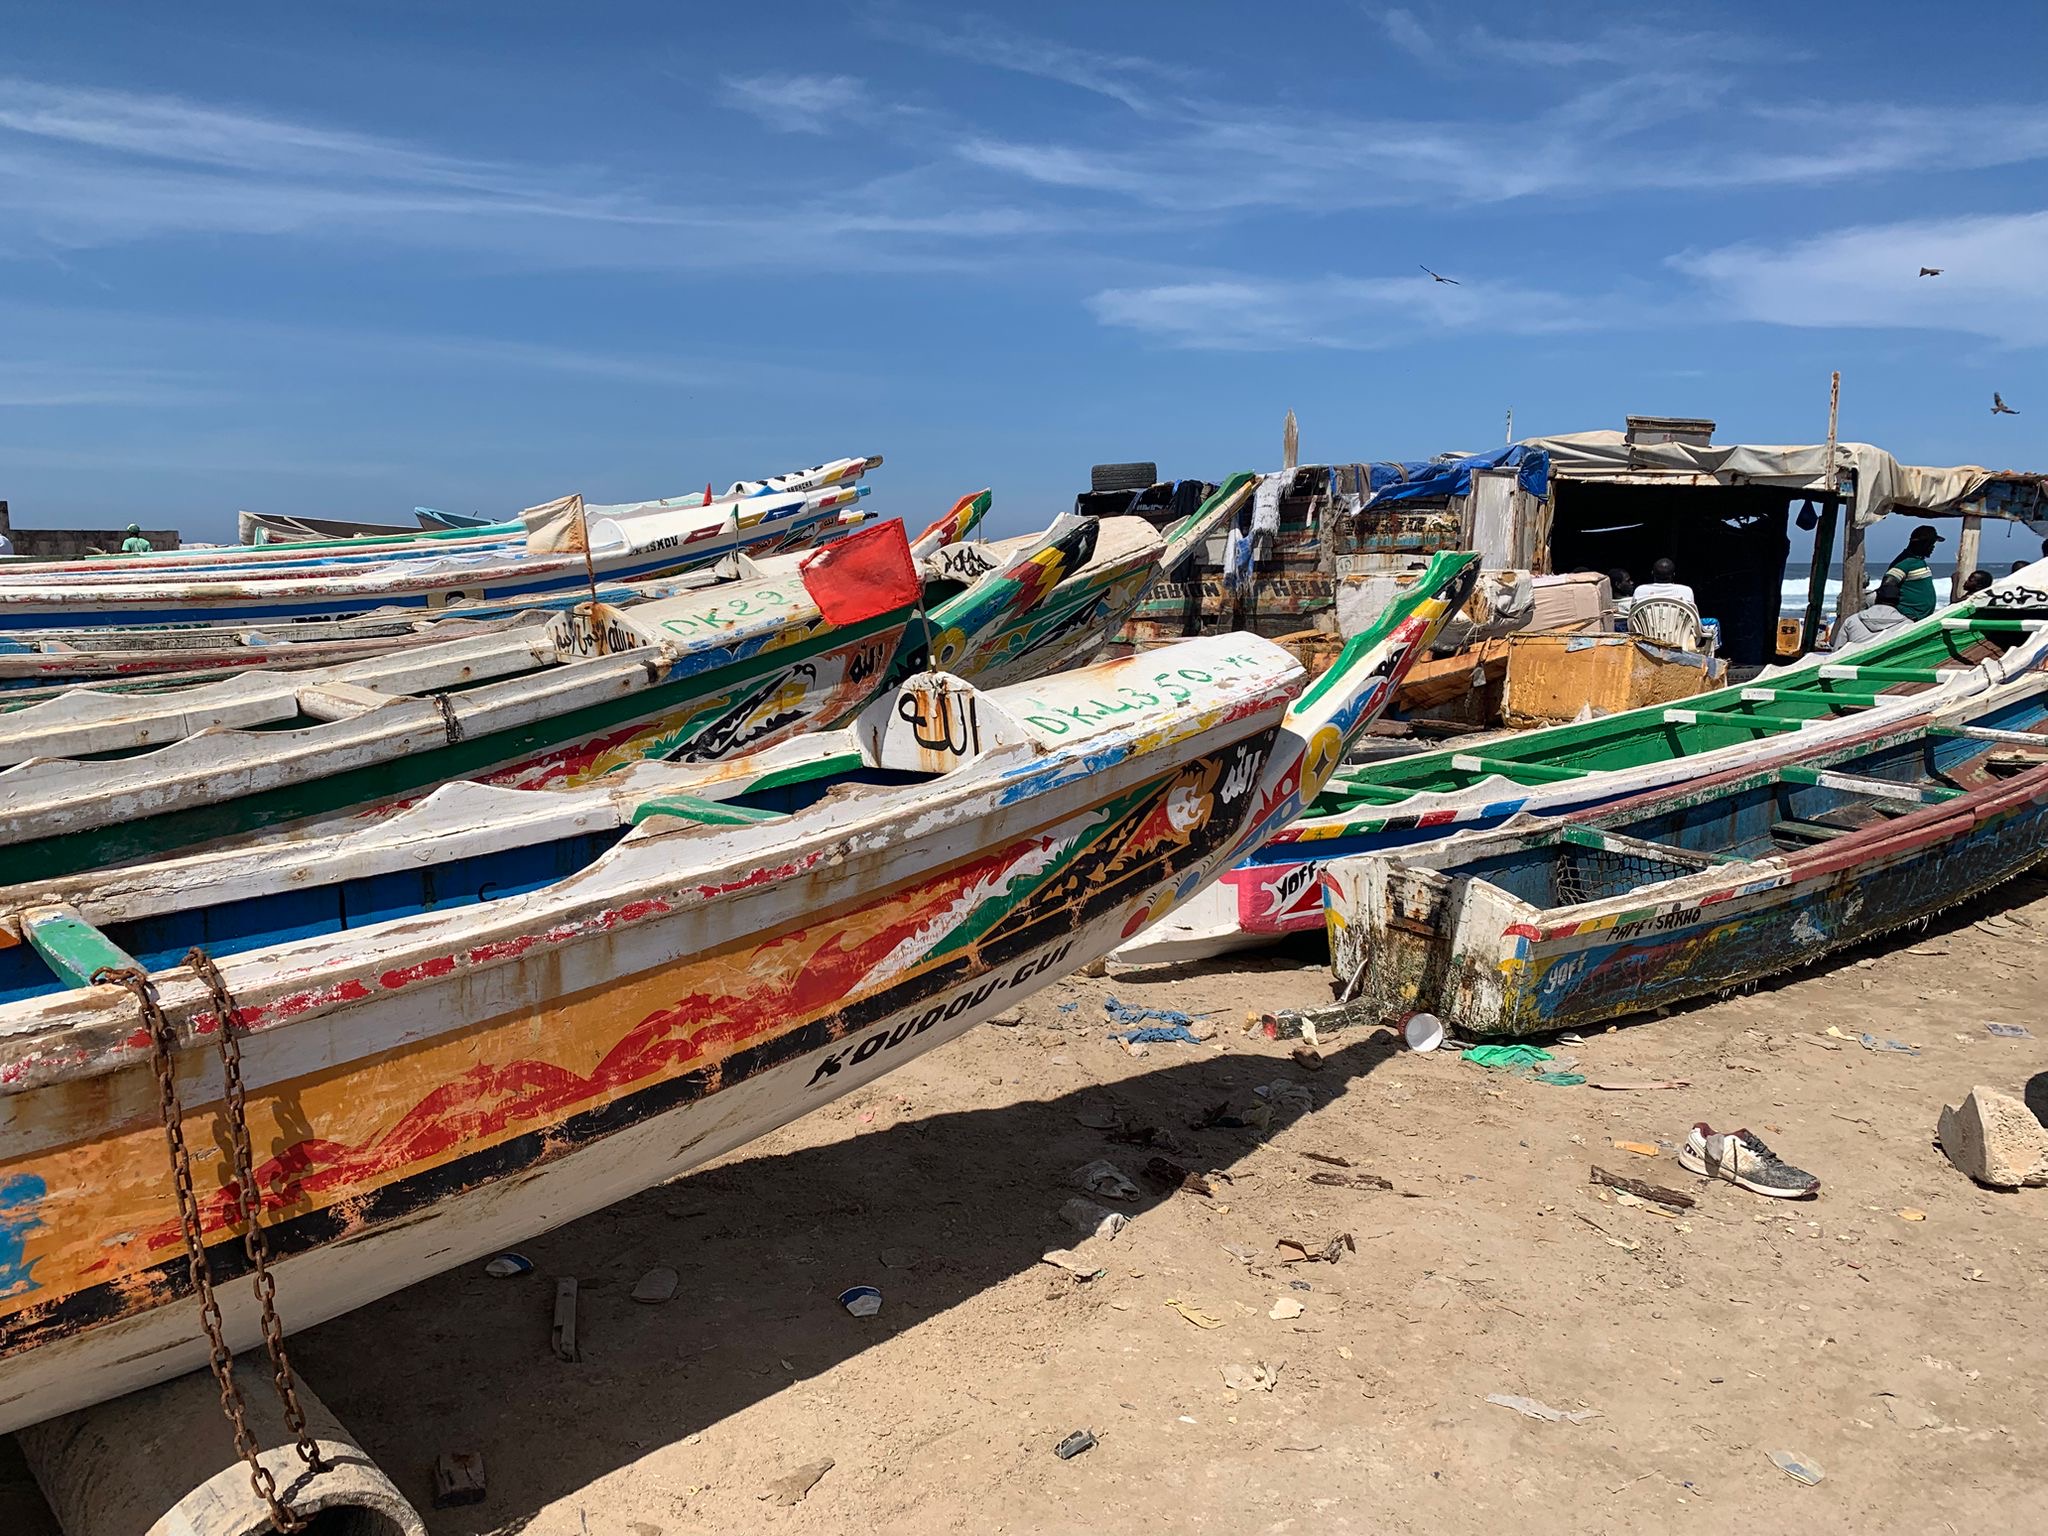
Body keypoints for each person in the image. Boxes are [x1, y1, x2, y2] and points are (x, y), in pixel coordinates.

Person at [1882, 524, 1943, 620]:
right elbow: (1887, 586)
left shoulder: (1918, 560)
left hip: (1919, 618)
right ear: (1922, 543)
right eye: (1930, 544)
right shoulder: (1905, 562)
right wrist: (1904, 612)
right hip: (1910, 618)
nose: (1933, 547)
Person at [1833, 574, 1908, 650]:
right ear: (1898, 602)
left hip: (1856, 657)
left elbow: (1837, 651)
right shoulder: (1907, 625)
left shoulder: (1852, 621)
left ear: (1875, 599)